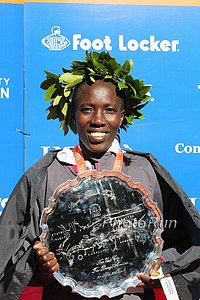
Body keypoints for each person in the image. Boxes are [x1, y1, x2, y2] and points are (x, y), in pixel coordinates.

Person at [0, 51, 199, 300]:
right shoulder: (47, 173)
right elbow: (13, 251)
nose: (97, 120)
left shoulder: (145, 170)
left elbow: (181, 240)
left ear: (122, 116)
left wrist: (158, 265)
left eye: (109, 110)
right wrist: (40, 267)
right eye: (87, 109)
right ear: (73, 115)